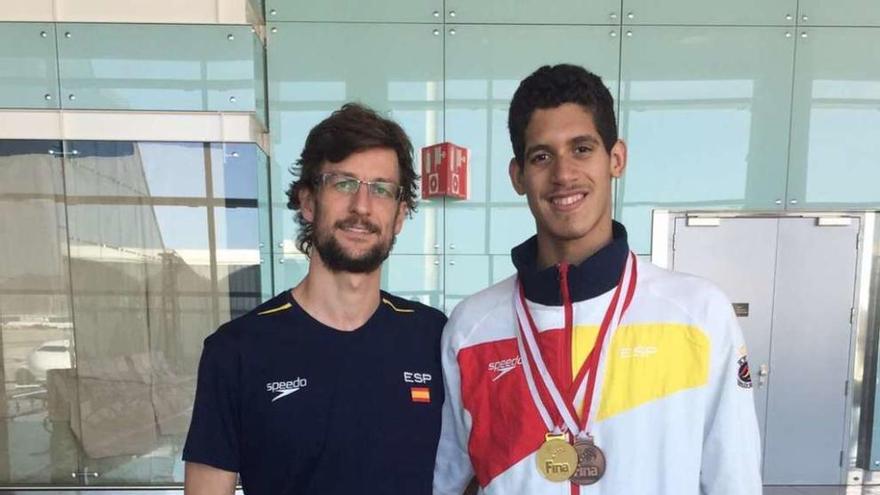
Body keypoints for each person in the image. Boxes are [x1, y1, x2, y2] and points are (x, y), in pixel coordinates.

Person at [433, 64, 761, 494]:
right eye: (542, 156)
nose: (564, 174)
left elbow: (733, 482)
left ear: (616, 159)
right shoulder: (472, 326)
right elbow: (447, 482)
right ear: (518, 176)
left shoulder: (699, 315)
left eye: (582, 149)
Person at [183, 103, 447, 495]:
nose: (361, 206)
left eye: (380, 189)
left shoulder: (434, 338)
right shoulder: (237, 351)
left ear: (400, 216)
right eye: (343, 183)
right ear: (308, 202)